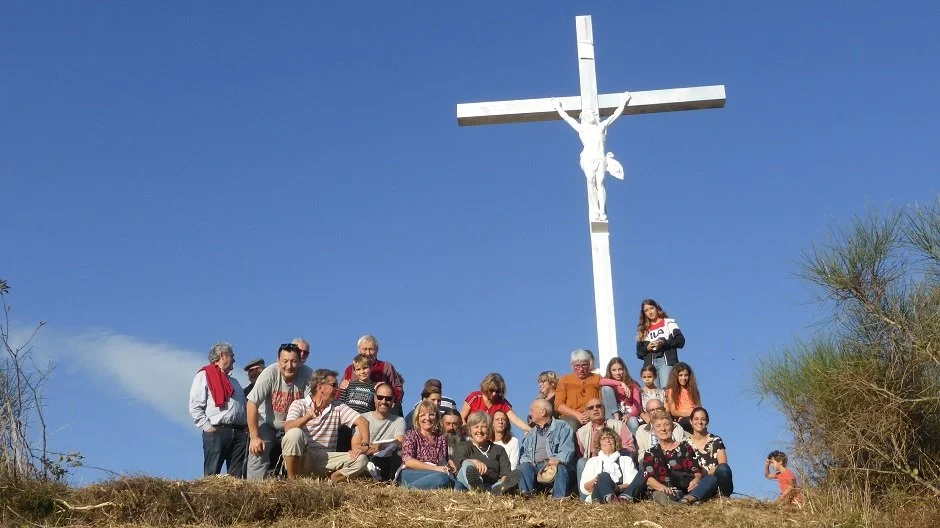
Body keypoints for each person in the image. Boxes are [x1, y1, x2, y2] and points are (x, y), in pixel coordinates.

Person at [550, 91, 631, 221]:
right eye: (587, 115)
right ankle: (594, 210)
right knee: (591, 181)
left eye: (591, 114)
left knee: (600, 183)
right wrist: (558, 107)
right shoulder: (582, 129)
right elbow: (568, 119)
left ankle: (601, 210)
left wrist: (623, 102)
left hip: (600, 157)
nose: (590, 116)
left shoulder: (601, 127)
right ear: (583, 118)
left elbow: (615, 115)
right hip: (588, 157)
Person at [281, 369, 370, 481]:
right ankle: (292, 481)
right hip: (304, 457)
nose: (337, 389)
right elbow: (288, 428)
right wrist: (308, 417)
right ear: (320, 387)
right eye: (334, 385)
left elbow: (363, 421)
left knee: (361, 460)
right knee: (294, 433)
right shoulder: (299, 404)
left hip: (326, 459)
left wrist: (365, 446)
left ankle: (331, 480)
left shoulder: (338, 406)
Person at [246, 342, 313, 480]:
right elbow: (252, 403)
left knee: (299, 445)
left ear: (300, 361)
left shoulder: (307, 374)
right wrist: (254, 437)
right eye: (285, 361)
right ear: (278, 361)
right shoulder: (269, 373)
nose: (289, 366)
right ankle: (254, 488)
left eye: (294, 361)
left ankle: (295, 483)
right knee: (257, 448)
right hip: (268, 423)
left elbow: (310, 406)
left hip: (294, 425)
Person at [188, 341, 248, 478]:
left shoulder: (234, 382)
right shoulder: (204, 376)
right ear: (222, 355)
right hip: (217, 431)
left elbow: (242, 406)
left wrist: (245, 428)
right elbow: (195, 405)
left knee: (237, 477)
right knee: (212, 476)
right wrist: (208, 427)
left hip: (238, 433)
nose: (234, 359)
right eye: (232, 355)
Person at [642, 409, 719, 505]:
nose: (663, 429)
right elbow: (649, 479)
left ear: (673, 427)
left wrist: (696, 480)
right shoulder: (650, 453)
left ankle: (688, 499)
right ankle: (678, 506)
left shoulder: (685, 448)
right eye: (658, 426)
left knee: (711, 479)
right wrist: (662, 488)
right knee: (658, 495)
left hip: (686, 490)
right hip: (664, 492)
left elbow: (697, 471)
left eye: (666, 424)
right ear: (654, 430)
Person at [574, 398, 636, 498]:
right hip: (594, 466)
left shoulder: (618, 425)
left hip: (618, 460)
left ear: (604, 409)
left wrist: (612, 452)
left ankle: (623, 493)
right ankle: (585, 498)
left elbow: (630, 448)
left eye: (599, 406)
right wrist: (597, 459)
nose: (595, 409)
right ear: (586, 413)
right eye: (591, 408)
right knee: (581, 462)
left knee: (628, 457)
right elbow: (580, 455)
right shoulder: (581, 432)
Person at [518, 399, 575, 500]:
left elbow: (567, 449)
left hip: (554, 466)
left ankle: (558, 499)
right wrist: (527, 462)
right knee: (523, 467)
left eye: (532, 410)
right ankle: (526, 497)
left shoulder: (562, 426)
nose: (529, 413)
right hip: (536, 468)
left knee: (560, 468)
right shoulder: (531, 433)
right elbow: (525, 454)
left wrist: (557, 459)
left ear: (543, 412)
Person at [452, 412, 520, 494]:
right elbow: (459, 462)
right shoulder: (463, 446)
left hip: (491, 485)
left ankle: (497, 489)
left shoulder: (498, 449)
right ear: (470, 430)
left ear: (489, 430)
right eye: (476, 427)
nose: (479, 431)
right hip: (465, 483)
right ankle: (476, 486)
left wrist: (505, 481)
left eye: (483, 427)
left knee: (504, 482)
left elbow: (505, 473)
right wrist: (474, 462)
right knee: (467, 464)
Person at [352, 382, 405, 482]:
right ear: (375, 398)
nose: (383, 401)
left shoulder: (399, 420)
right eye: (380, 397)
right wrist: (384, 446)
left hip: (387, 462)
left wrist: (368, 447)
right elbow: (355, 447)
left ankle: (393, 482)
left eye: (388, 398)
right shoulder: (363, 418)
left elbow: (399, 444)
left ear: (393, 400)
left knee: (399, 453)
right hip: (367, 460)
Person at [340, 335, 406, 415]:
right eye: (365, 349)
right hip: (354, 415)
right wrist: (342, 386)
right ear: (359, 350)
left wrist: (385, 389)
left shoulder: (386, 367)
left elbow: (399, 391)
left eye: (371, 349)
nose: (368, 353)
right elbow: (339, 395)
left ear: (377, 350)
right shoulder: (350, 369)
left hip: (383, 414)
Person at [579, 427, 646, 504]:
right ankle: (611, 499)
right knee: (603, 475)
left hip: (622, 494)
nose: (607, 440)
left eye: (610, 438)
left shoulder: (626, 460)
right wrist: (594, 481)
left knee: (643, 473)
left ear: (615, 441)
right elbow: (584, 488)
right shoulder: (592, 461)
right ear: (599, 444)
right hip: (599, 497)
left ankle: (623, 499)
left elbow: (632, 483)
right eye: (603, 438)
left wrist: (618, 488)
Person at [399, 401, 455, 489]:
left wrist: (449, 466)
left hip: (435, 473)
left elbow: (442, 462)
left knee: (459, 486)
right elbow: (408, 461)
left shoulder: (441, 438)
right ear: (417, 419)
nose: (427, 418)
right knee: (442, 478)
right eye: (423, 415)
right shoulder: (412, 434)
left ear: (436, 418)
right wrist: (435, 468)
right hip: (412, 472)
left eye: (431, 414)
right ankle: (408, 489)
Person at [635, 299, 685, 390]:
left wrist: (663, 343)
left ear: (656, 308)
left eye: (651, 308)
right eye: (646, 310)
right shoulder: (643, 330)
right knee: (654, 392)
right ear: (644, 313)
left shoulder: (669, 323)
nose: (650, 312)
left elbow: (680, 341)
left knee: (667, 388)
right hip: (650, 365)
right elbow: (639, 353)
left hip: (666, 361)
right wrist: (647, 348)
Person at [460, 373, 530, 432]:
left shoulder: (502, 403)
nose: (494, 394)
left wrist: (531, 430)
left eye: (498, 391)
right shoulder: (475, 397)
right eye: (491, 390)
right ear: (485, 387)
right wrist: (469, 433)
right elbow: (461, 417)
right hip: (469, 435)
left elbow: (515, 419)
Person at [688, 407, 733, 497]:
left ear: (707, 422)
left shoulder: (716, 440)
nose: (699, 422)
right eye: (696, 419)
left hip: (715, 481)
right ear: (691, 422)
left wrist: (704, 474)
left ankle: (722, 496)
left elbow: (722, 465)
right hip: (696, 483)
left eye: (703, 419)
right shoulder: (685, 444)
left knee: (724, 469)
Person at [555, 349, 602, 433]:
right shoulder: (565, 380)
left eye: (584, 365)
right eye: (577, 366)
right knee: (571, 425)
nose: (581, 369)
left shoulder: (597, 378)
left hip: (593, 414)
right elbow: (559, 406)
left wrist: (590, 413)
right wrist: (577, 415)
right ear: (572, 365)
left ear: (589, 364)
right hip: (571, 416)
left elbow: (602, 401)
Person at [599, 357, 642, 432]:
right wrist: (621, 383)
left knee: (633, 423)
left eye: (620, 369)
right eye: (614, 370)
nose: (618, 373)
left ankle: (635, 443)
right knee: (605, 388)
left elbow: (637, 407)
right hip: (612, 415)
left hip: (628, 414)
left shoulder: (633, 384)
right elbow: (601, 382)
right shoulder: (609, 383)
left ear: (624, 370)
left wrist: (628, 415)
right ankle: (616, 417)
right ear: (610, 371)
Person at [665, 362, 701, 433]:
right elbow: (673, 411)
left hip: (695, 416)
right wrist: (686, 414)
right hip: (683, 418)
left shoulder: (693, 389)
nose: (683, 378)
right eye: (680, 375)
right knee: (691, 423)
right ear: (676, 376)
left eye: (686, 375)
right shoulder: (671, 390)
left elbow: (699, 406)